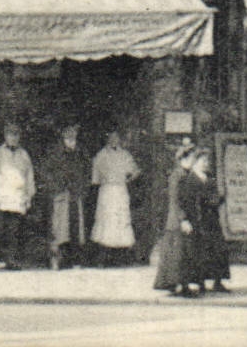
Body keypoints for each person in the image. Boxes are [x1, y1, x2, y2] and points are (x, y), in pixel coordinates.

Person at [0, 122, 35, 269]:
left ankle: (10, 260)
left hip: (17, 197)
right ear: (5, 136)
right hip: (1, 196)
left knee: (13, 231)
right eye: (10, 135)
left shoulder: (24, 154)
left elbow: (29, 177)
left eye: (16, 135)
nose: (13, 138)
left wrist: (28, 196)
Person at [179, 147, 231, 294]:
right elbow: (184, 201)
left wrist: (219, 199)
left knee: (218, 250)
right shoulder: (189, 179)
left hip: (211, 220)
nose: (206, 163)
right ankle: (200, 283)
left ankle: (217, 281)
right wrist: (185, 219)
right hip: (197, 219)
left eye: (207, 161)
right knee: (199, 252)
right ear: (195, 162)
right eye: (203, 160)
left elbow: (214, 196)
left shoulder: (209, 178)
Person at [152, 143, 198, 297]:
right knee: (177, 254)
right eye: (192, 158)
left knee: (182, 253)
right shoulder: (177, 176)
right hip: (177, 221)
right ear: (183, 158)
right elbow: (175, 200)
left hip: (182, 219)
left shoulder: (186, 174)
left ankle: (181, 285)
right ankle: (177, 286)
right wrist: (183, 219)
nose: (193, 161)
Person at [41, 123, 89, 269]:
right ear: (63, 137)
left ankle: (74, 259)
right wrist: (56, 187)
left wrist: (82, 188)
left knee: (75, 227)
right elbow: (45, 172)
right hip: (61, 194)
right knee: (60, 228)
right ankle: (58, 259)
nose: (71, 139)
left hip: (75, 194)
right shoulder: (55, 153)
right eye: (68, 136)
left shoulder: (80, 153)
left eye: (73, 136)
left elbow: (87, 171)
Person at [90, 130, 141, 265]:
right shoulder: (101, 155)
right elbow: (95, 178)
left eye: (116, 137)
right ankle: (104, 256)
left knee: (121, 220)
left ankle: (121, 256)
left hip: (120, 190)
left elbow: (135, 171)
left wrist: (127, 180)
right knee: (107, 220)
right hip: (107, 191)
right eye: (111, 137)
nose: (114, 140)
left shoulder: (125, 154)